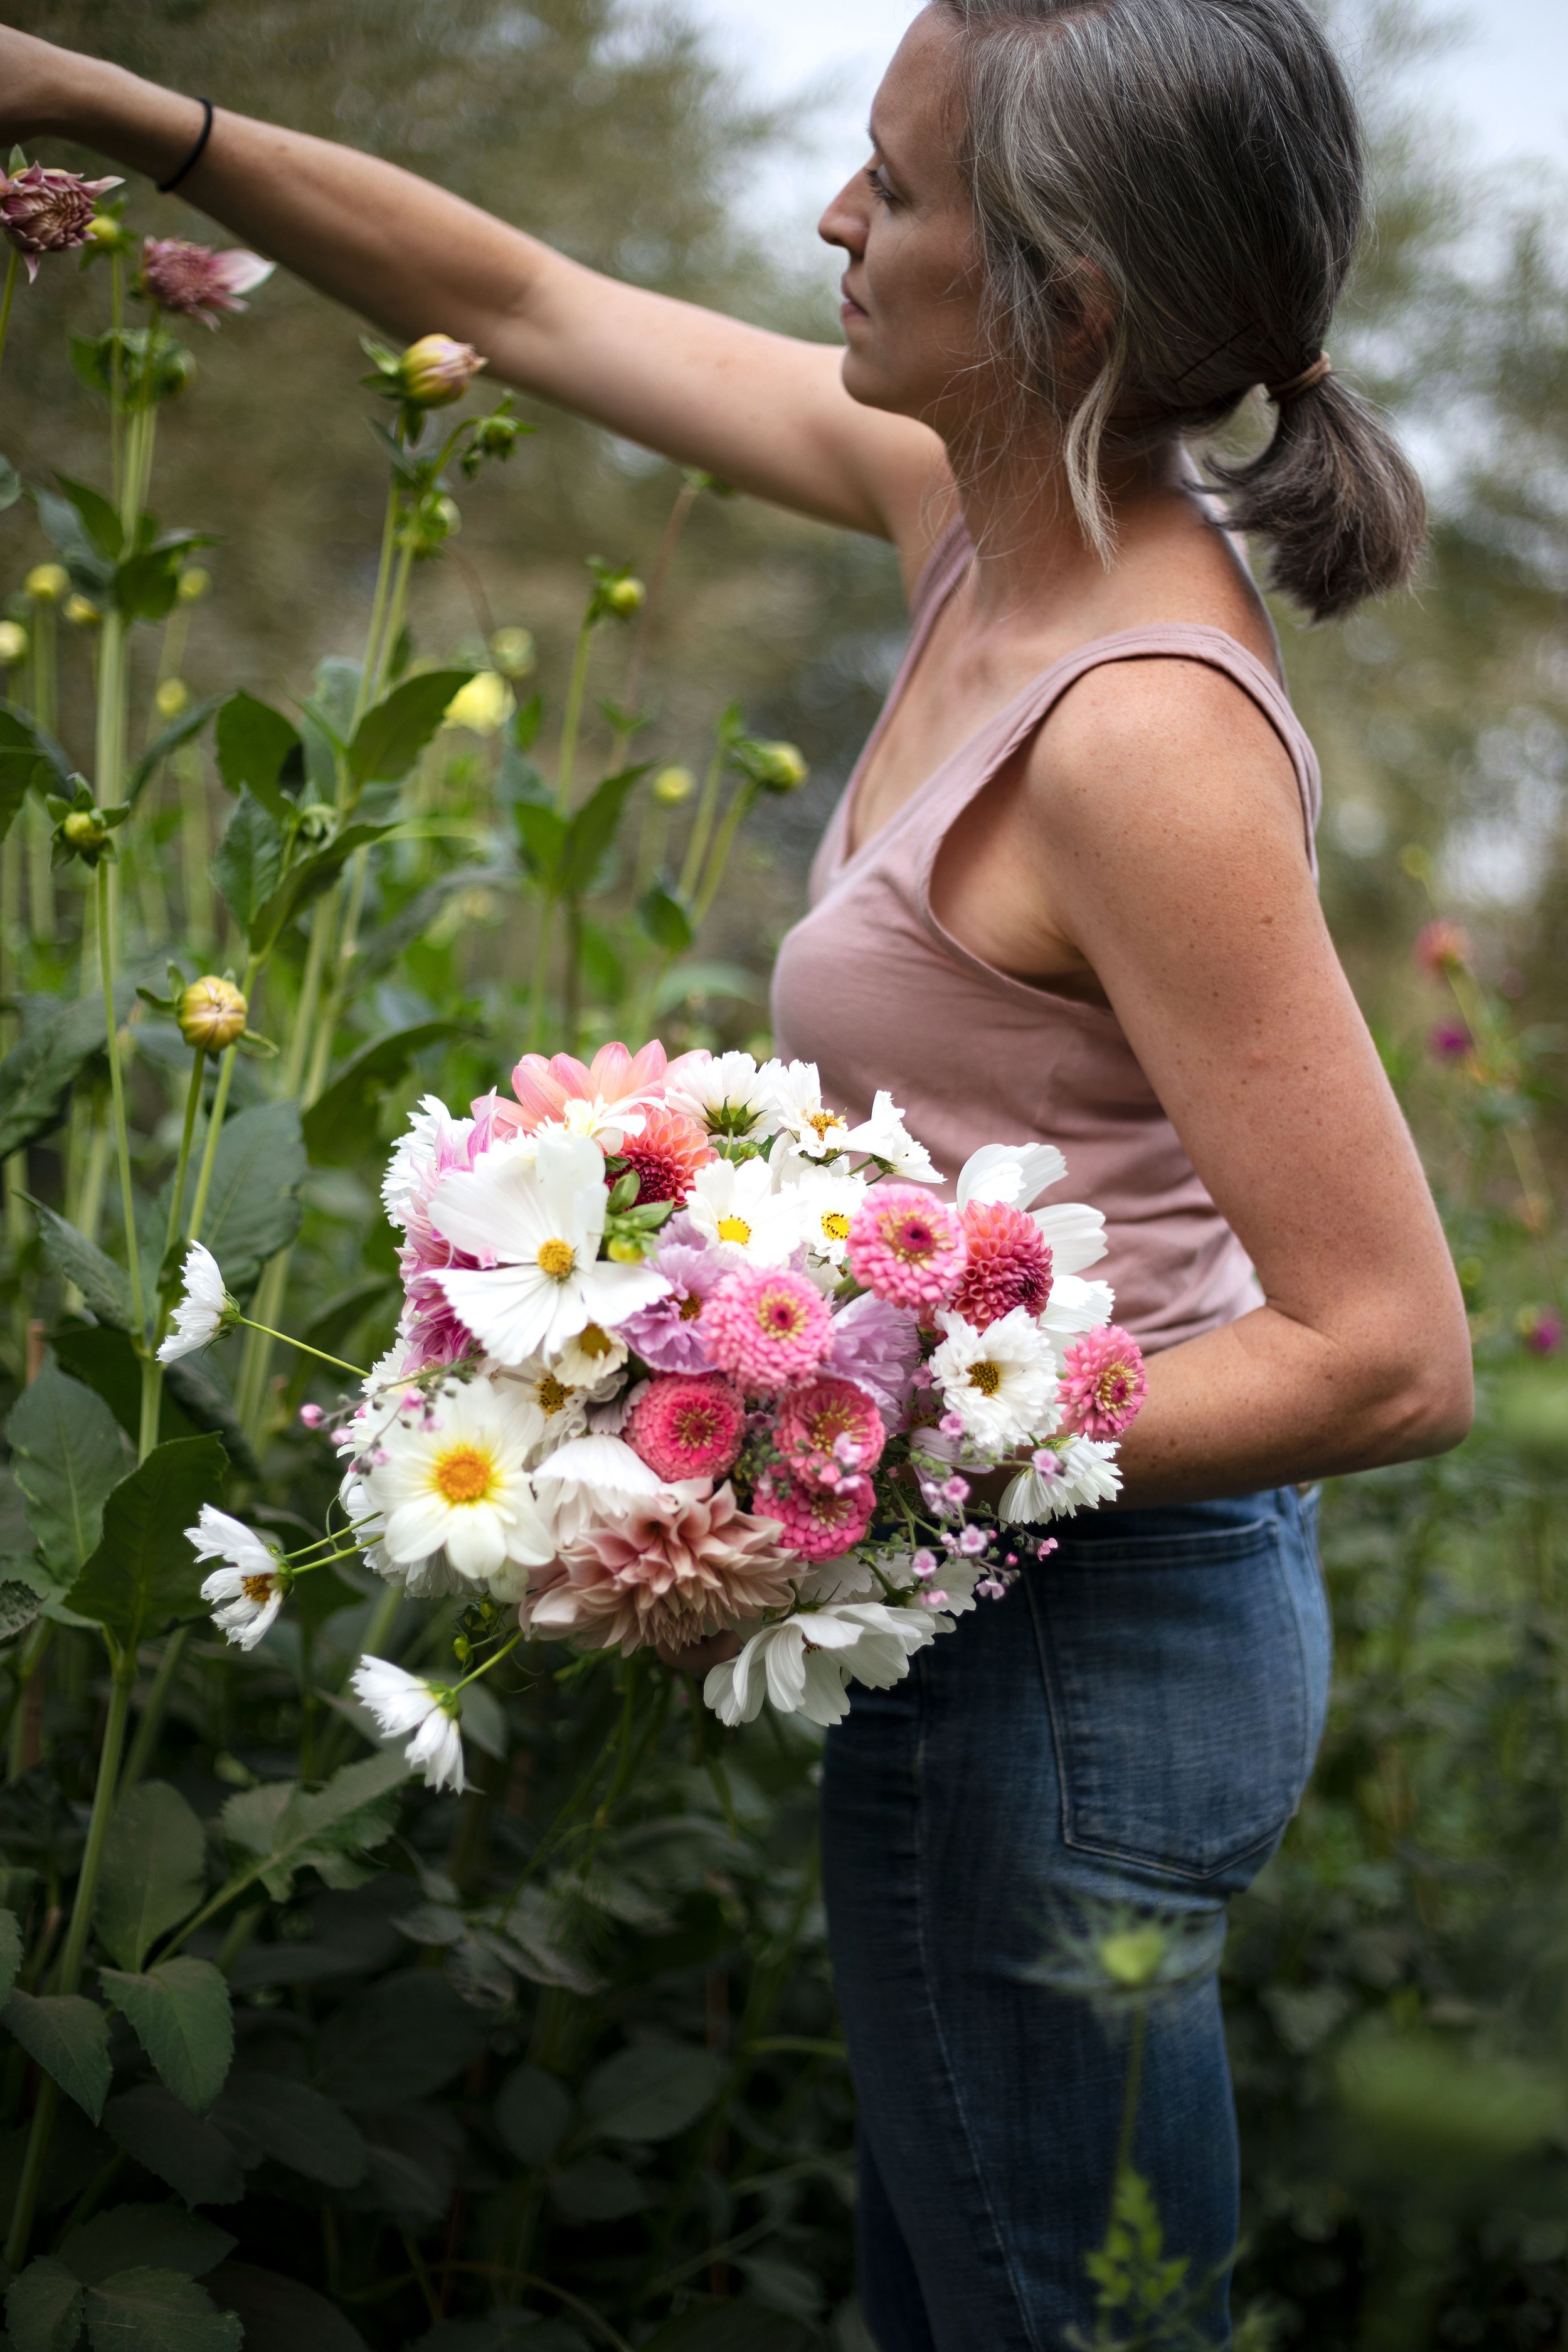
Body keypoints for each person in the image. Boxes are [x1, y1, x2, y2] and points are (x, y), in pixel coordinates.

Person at [0, 2, 1473, 2341]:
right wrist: (122, 115)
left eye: (894, 190)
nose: (831, 218)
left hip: (1084, 1656)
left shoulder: (1139, 741)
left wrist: (816, 1460)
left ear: (1061, 307)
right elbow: (528, 308)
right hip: (995, 1613)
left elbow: (1388, 1360)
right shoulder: (975, 523)